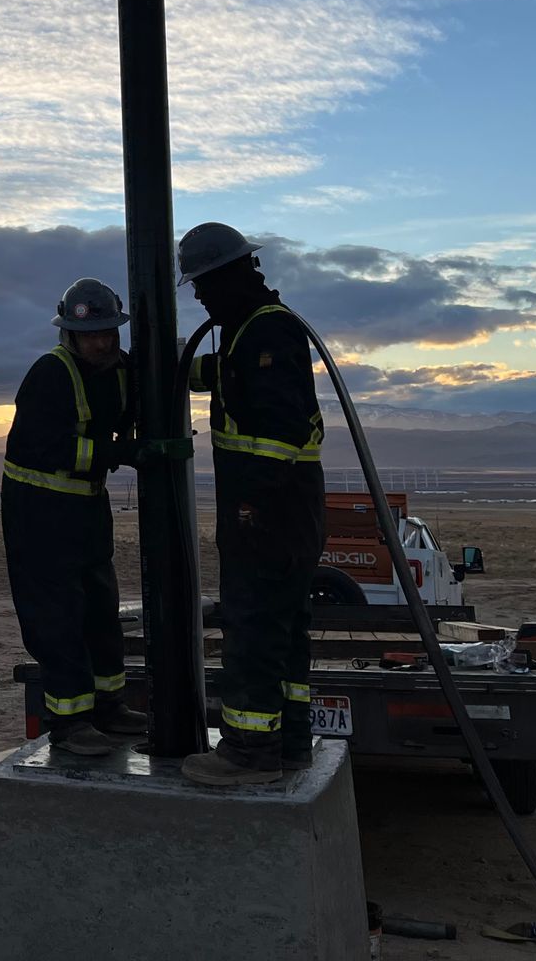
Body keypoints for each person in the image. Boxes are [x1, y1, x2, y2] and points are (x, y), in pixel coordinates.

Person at [176, 224, 326, 786]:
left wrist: (252, 505)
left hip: (269, 513)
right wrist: (160, 366)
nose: (198, 297)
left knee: (255, 627)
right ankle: (288, 744)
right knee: (283, 630)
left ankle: (249, 753)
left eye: (202, 285)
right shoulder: (248, 334)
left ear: (228, 276)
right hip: (285, 512)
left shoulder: (266, 334)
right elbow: (228, 378)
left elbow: (280, 429)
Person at [2, 277, 150, 757]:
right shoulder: (50, 374)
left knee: (100, 608)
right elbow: (44, 447)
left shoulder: (121, 369)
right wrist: (117, 452)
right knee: (58, 616)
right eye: (92, 334)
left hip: (88, 507)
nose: (102, 341)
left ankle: (110, 706)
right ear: (69, 334)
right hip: (40, 514)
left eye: (109, 332)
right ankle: (69, 723)